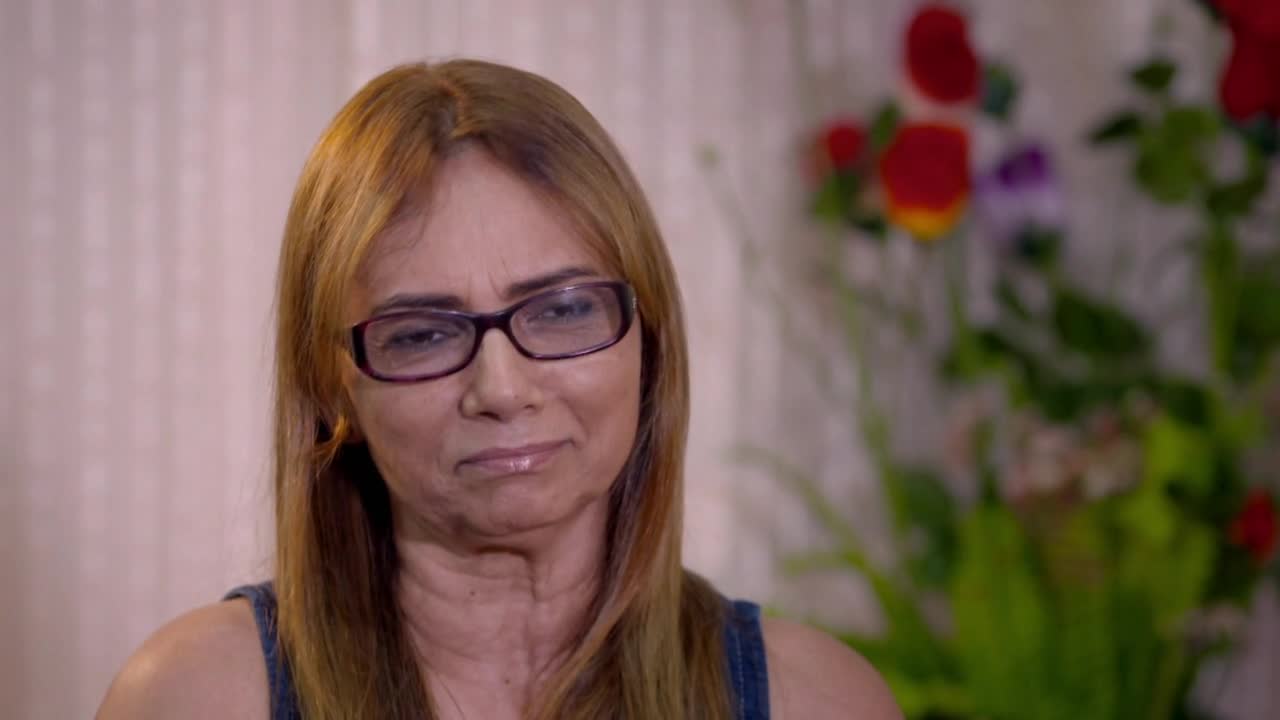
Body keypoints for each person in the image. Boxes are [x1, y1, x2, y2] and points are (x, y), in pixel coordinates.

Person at [97, 59, 901, 720]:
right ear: (333, 387)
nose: (503, 389)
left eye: (562, 309)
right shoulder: (198, 696)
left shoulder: (817, 701)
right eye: (422, 332)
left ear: (648, 341)